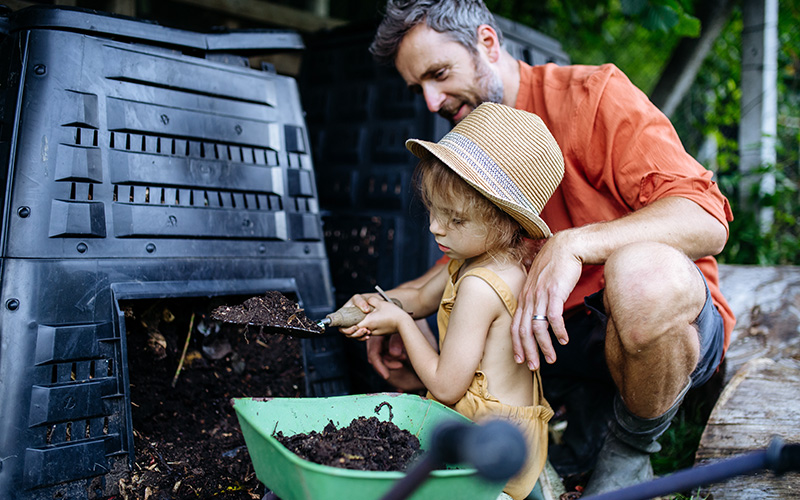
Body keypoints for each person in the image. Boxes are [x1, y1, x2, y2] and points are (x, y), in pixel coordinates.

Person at [344, 0, 736, 495]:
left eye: (439, 73)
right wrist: (390, 306)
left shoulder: (593, 96)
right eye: (418, 86)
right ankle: (569, 431)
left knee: (642, 274)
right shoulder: (479, 135)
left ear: (487, 43)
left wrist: (574, 244)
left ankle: (631, 450)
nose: (430, 101)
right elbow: (453, 266)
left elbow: (705, 217)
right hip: (562, 339)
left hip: (665, 326)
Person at [346, 102, 560, 500]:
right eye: (432, 209)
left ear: (503, 220)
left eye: (455, 219)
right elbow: (423, 297)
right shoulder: (499, 260)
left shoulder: (480, 285)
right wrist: (374, 305)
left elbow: (446, 387)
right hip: (514, 437)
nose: (434, 226)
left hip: (486, 451)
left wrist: (402, 323)